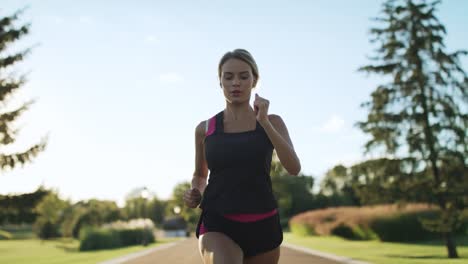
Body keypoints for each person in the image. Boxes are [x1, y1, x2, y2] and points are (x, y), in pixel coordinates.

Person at [183, 49, 301, 264]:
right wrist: (196, 192)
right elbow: (200, 175)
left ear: (254, 80)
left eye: (243, 76)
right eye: (228, 77)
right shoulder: (205, 129)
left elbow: (293, 168)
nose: (235, 83)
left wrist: (263, 122)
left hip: (263, 223)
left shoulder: (273, 122)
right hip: (218, 221)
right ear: (220, 82)